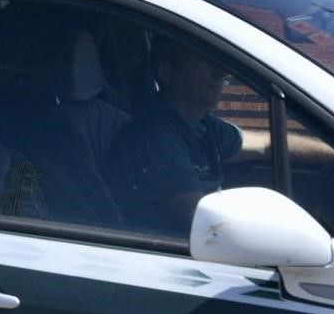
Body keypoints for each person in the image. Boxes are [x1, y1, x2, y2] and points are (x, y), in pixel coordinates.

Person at [105, 38, 253, 235]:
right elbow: (199, 220)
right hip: (163, 258)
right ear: (167, 73)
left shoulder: (201, 123)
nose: (220, 73)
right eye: (204, 62)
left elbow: (266, 145)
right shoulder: (154, 134)